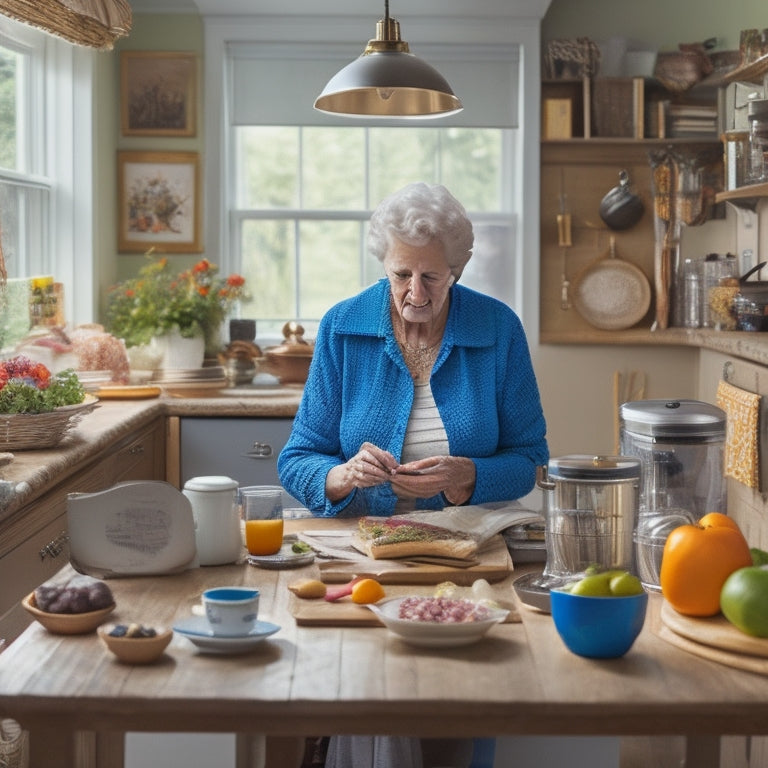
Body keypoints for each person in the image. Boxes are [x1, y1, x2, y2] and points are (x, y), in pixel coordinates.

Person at [277, 182, 549, 768]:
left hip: (468, 556)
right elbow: (297, 457)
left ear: (459, 267)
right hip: (364, 557)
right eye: (402, 274)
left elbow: (530, 458)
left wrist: (467, 476)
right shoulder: (343, 326)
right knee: (373, 699)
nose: (414, 292)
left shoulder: (497, 328)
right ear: (384, 263)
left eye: (432, 277)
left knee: (460, 706)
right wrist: (342, 475)